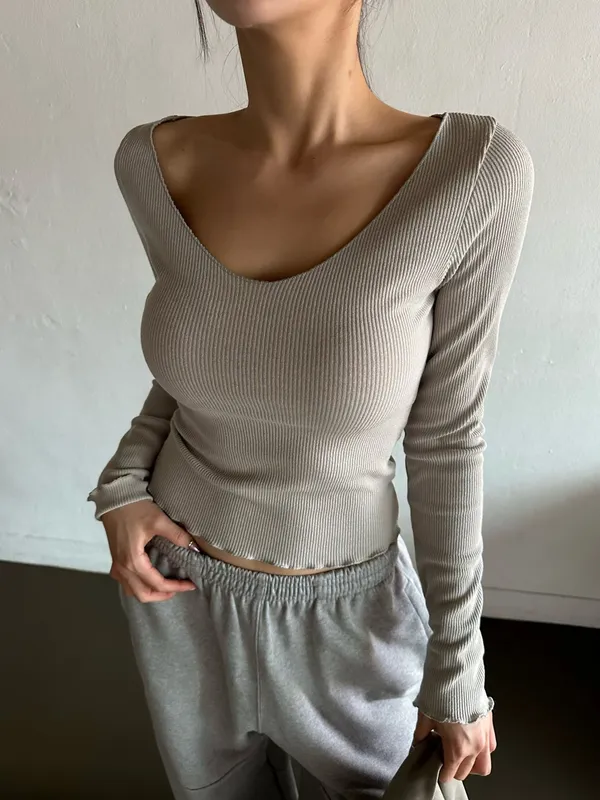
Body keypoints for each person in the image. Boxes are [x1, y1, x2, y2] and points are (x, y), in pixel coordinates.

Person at [87, 1, 534, 798]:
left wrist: (459, 665)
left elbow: (447, 437)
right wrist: (120, 486)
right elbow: (209, 366)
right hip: (178, 600)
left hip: (349, 625)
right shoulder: (152, 163)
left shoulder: (472, 172)